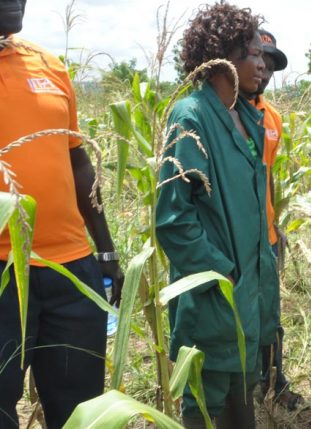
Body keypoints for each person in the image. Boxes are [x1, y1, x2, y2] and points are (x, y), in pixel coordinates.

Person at [0, 1, 123, 428]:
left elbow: (78, 162)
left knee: (79, 409)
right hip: (3, 271)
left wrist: (105, 251)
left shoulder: (49, 65)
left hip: (70, 270)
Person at [155, 4, 277, 428]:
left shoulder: (247, 117)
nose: (262, 64)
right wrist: (223, 274)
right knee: (206, 410)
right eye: (253, 53)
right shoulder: (190, 115)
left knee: (243, 407)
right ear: (222, 55)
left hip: (248, 298)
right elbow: (173, 220)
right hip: (215, 299)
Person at [249, 29, 304, 411]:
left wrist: (275, 222)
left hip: (265, 235)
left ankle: (274, 379)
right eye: (259, 60)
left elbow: (266, 174)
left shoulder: (272, 117)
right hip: (233, 239)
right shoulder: (221, 113)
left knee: (270, 312)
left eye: (271, 64)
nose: (264, 69)